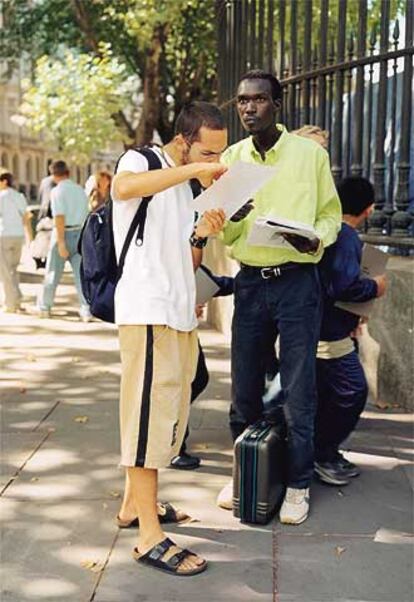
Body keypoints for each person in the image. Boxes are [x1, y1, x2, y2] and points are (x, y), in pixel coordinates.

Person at [217, 70, 342, 525]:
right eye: (242, 101)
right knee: (244, 385)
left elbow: (329, 214)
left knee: (298, 388)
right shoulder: (232, 158)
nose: (249, 108)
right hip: (250, 281)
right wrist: (231, 214)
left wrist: (319, 241)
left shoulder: (309, 155)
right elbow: (225, 230)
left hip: (296, 283)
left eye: (259, 100)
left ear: (279, 104)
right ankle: (243, 471)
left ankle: (298, 483)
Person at [111, 101, 229, 576]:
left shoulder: (187, 188)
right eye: (207, 153)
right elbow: (123, 188)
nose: (214, 164)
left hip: (179, 313)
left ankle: (131, 507)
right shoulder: (144, 160)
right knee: (147, 417)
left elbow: (187, 260)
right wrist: (192, 174)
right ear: (183, 141)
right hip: (147, 309)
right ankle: (148, 538)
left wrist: (201, 232)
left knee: (170, 416)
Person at [314, 177, 387, 485]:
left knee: (324, 392)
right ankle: (323, 453)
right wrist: (375, 286)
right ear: (369, 210)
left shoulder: (330, 231)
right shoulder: (346, 237)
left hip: (322, 326)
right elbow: (343, 286)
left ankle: (319, 450)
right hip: (330, 335)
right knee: (352, 392)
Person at [170, 267, 235, 470]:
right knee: (181, 384)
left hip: (179, 320)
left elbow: (199, 275)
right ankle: (172, 445)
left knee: (195, 379)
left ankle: (173, 439)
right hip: (167, 321)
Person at [37, 160, 90, 320]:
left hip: (63, 233)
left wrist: (60, 242)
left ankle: (45, 307)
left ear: (53, 175)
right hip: (79, 233)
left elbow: (59, 217)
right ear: (68, 172)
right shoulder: (80, 190)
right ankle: (86, 308)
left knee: (52, 273)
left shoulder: (57, 191)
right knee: (80, 275)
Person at [0, 170, 32, 312]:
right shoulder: (19, 196)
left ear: (4, 181)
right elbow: (26, 216)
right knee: (13, 269)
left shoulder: (1, 196)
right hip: (18, 236)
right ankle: (17, 300)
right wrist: (29, 236)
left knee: (6, 272)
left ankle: (10, 304)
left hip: (4, 235)